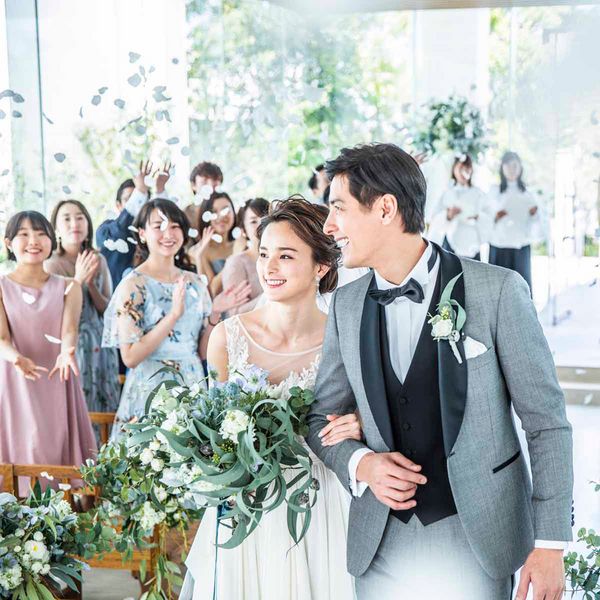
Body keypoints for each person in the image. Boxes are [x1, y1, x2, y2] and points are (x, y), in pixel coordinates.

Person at [306, 143, 573, 600]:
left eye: (338, 208)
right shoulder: (346, 306)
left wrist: (549, 542)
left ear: (385, 208)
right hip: (380, 545)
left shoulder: (497, 291)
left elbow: (546, 422)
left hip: (477, 537)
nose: (329, 225)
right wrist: (361, 463)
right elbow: (319, 419)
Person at [181, 198, 360, 600]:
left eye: (286, 256)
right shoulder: (227, 338)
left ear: (321, 266)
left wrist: (361, 422)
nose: (269, 267)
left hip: (319, 502)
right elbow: (213, 432)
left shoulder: (346, 339)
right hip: (246, 506)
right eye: (264, 254)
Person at [102, 199, 250, 439]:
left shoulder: (195, 282)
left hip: (192, 386)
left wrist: (215, 312)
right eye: (158, 226)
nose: (168, 234)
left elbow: (201, 352)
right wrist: (173, 316)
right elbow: (130, 357)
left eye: (174, 226)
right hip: (150, 390)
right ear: (142, 233)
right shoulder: (133, 285)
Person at [0, 211, 96, 493]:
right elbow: (2, 337)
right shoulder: (2, 287)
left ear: (52, 240)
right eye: (24, 234)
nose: (34, 241)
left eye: (41, 234)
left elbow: (69, 330)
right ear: (9, 243)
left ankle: (64, 512)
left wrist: (67, 352)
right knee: (23, 445)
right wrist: (16, 358)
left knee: (57, 444)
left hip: (58, 376)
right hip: (16, 378)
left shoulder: (69, 286)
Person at [45, 199, 120, 414]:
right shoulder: (51, 264)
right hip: (71, 344)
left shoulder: (99, 259)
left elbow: (108, 309)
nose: (74, 224)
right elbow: (54, 312)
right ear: (56, 228)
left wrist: (90, 284)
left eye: (79, 218)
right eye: (66, 219)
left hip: (100, 342)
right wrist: (77, 280)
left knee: (106, 404)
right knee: (78, 406)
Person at [96, 160, 170, 286]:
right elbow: (120, 232)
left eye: (142, 199)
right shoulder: (106, 230)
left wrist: (160, 190)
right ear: (119, 206)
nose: (138, 205)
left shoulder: (156, 232)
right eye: (128, 199)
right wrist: (140, 191)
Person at [487, 151, 543, 291]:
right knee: (498, 290)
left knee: (520, 290)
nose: (512, 169)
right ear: (502, 168)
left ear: (520, 168)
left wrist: (534, 215)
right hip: (499, 247)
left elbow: (537, 224)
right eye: (508, 166)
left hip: (521, 248)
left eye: (515, 166)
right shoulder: (494, 191)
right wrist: (496, 217)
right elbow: (485, 219)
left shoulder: (528, 193)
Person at [427, 155, 492, 260]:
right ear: (454, 169)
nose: (463, 172)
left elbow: (490, 217)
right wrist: (447, 215)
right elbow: (433, 219)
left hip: (472, 243)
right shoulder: (446, 193)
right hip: (450, 244)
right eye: (460, 168)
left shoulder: (479, 194)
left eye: (467, 168)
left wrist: (478, 217)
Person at [221, 197, 269, 315]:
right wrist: (271, 295)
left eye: (266, 219)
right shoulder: (236, 262)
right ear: (243, 230)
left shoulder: (284, 256)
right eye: (253, 221)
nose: (261, 225)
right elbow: (234, 313)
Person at [188, 191, 237, 297]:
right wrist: (200, 256)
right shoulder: (197, 251)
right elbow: (209, 294)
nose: (221, 216)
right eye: (214, 212)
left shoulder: (241, 244)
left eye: (225, 210)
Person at [184, 160, 224, 231]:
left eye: (215, 182)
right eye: (204, 181)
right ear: (193, 185)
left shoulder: (226, 212)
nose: (210, 187)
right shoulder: (186, 214)